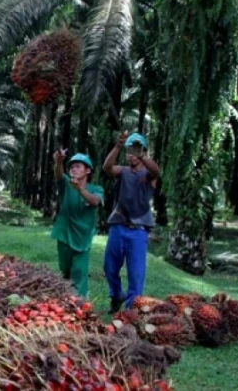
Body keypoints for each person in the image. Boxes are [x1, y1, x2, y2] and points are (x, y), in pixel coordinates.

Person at [102, 132, 161, 314]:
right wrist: (118, 146)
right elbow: (107, 168)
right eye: (129, 150)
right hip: (118, 226)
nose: (131, 154)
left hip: (138, 231)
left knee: (136, 274)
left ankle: (130, 312)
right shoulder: (124, 171)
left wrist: (142, 155)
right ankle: (117, 295)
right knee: (109, 267)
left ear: (143, 150)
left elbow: (156, 171)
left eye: (135, 149)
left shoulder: (148, 175)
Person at [50, 149, 103, 298]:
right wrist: (59, 161)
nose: (74, 169)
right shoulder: (66, 184)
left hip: (82, 238)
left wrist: (79, 188)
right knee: (64, 272)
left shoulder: (95, 189)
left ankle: (80, 306)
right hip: (64, 235)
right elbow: (59, 174)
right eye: (71, 166)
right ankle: (63, 302)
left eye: (78, 166)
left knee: (79, 274)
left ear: (88, 170)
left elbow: (95, 201)